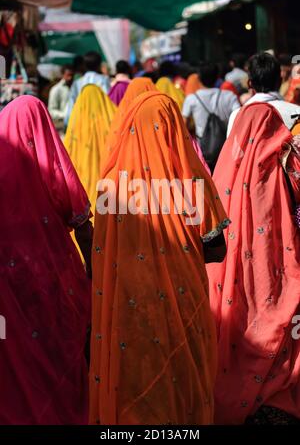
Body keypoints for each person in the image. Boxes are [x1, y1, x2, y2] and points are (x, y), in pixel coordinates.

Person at [89, 90, 229, 425]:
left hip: (128, 304)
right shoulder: (191, 184)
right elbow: (217, 249)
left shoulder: (109, 186)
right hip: (183, 304)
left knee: (136, 373)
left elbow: (101, 252)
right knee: (184, 373)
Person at [0, 96, 93, 424]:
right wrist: (93, 272)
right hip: (52, 277)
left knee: (18, 354)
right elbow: (79, 214)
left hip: (9, 287)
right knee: (58, 350)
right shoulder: (45, 157)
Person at [207, 98, 300, 425]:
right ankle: (275, 378)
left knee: (237, 316)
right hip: (274, 269)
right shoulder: (286, 166)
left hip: (234, 270)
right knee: (276, 315)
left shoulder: (227, 170)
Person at [64, 84, 116, 218]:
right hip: (110, 183)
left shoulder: (76, 123)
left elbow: (68, 150)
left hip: (82, 178)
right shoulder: (112, 118)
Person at [227, 53, 300, 137]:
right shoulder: (296, 113)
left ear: (249, 84)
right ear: (280, 81)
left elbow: (233, 148)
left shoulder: (236, 115)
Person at [182, 62, 240, 161]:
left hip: (202, 150)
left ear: (199, 78)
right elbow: (239, 118)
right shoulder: (229, 96)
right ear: (217, 77)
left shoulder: (192, 99)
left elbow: (183, 126)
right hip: (226, 148)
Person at [65, 51, 111, 125]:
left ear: (84, 65)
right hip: (100, 122)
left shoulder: (77, 83)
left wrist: (67, 123)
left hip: (82, 122)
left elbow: (71, 104)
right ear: (99, 65)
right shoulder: (103, 80)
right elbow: (108, 99)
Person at [48, 64, 74, 133]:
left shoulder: (76, 88)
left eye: (72, 75)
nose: (70, 78)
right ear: (63, 75)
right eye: (68, 75)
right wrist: (65, 115)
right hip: (62, 128)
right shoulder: (56, 89)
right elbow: (51, 110)